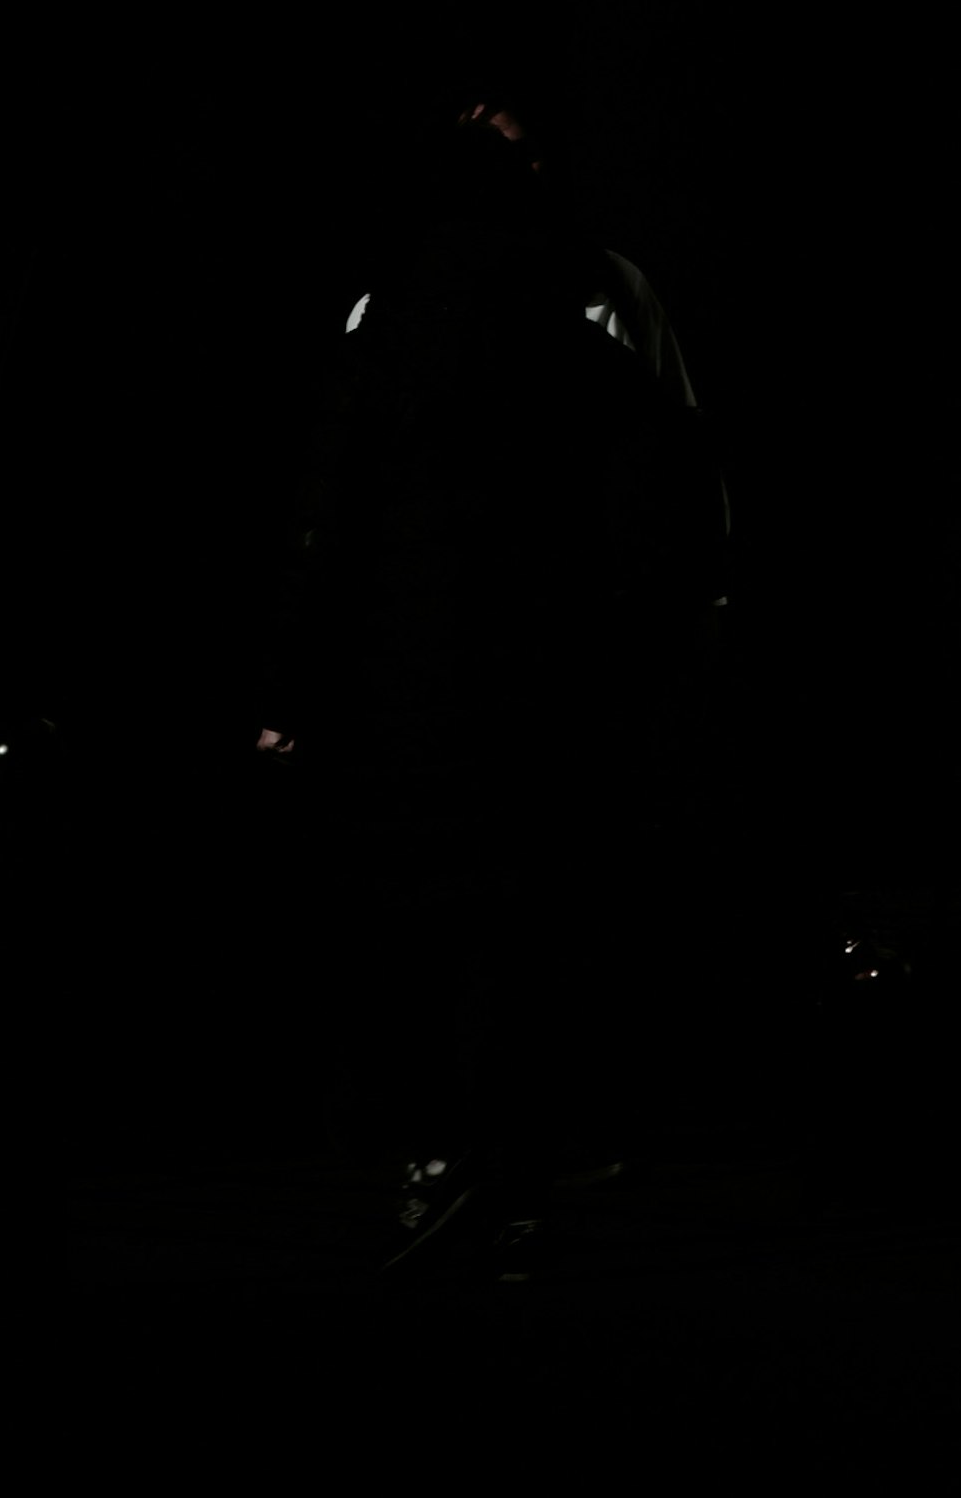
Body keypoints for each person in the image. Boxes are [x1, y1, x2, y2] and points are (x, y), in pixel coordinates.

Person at [278, 81, 726, 1268]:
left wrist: (302, 683)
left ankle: (441, 1157)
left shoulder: (386, 335)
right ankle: (513, 1161)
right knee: (523, 929)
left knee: (424, 927)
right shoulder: (587, 329)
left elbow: (329, 526)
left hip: (409, 684)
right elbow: (676, 506)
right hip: (549, 683)